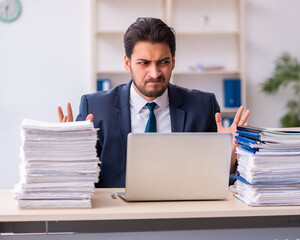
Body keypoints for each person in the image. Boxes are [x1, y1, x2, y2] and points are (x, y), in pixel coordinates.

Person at [58, 17, 250, 188]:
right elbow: (81, 181)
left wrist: (230, 157)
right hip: (117, 218)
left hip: (183, 217)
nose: (155, 73)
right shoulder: (96, 108)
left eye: (163, 62)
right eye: (144, 63)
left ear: (173, 61)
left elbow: (217, 183)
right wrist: (68, 153)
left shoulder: (202, 106)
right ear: (127, 63)